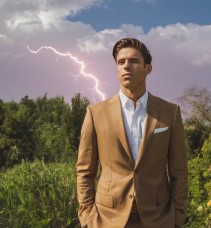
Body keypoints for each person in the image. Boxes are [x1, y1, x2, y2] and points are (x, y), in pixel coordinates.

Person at [76, 37, 188, 228]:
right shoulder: (95, 113)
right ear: (116, 69)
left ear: (148, 68)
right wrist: (87, 217)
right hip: (107, 219)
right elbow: (85, 171)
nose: (127, 66)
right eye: (121, 62)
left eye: (134, 61)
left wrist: (178, 216)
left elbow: (179, 170)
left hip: (159, 218)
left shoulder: (170, 113)